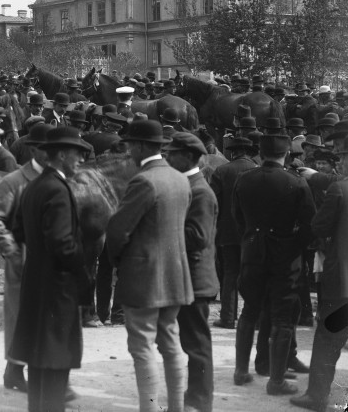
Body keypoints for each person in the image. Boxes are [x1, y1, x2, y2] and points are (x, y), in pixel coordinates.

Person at [107, 119, 194, 412]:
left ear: (143, 146)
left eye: (131, 143)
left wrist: (119, 261)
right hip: (175, 276)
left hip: (144, 278)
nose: (128, 149)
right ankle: (176, 408)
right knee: (170, 344)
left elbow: (118, 231)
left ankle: (150, 408)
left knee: (142, 347)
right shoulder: (181, 178)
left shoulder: (143, 181)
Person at [9, 126, 91, 411]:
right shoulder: (57, 189)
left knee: (39, 365)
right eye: (77, 153)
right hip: (59, 287)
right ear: (62, 155)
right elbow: (62, 243)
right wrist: (83, 270)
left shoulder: (34, 185)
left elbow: (18, 229)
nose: (81, 159)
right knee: (56, 366)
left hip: (36, 283)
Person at [231, 131, 315, 395]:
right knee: (281, 316)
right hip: (285, 256)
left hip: (252, 252)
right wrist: (294, 245)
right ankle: (276, 381)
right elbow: (309, 225)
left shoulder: (243, 180)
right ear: (287, 154)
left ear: (261, 152)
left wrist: (251, 238)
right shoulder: (296, 183)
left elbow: (237, 217)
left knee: (248, 312)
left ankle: (241, 371)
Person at [0, 122, 51, 394]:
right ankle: (14, 369)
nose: (49, 154)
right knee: (21, 314)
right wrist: (12, 250)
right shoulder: (13, 182)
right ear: (32, 149)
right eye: (43, 149)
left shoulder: (58, 180)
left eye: (53, 149)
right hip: (23, 260)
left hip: (53, 262)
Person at [162, 132, 219, 412]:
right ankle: (195, 394)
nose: (168, 158)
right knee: (190, 340)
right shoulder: (189, 185)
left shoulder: (200, 192)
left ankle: (200, 399)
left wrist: (162, 227)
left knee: (196, 342)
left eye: (172, 154)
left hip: (196, 279)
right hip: (187, 276)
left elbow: (198, 236)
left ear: (188, 157)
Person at [290, 145, 348, 410]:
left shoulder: (340, 189)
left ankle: (316, 396)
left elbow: (319, 226)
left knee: (327, 338)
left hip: (343, 281)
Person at [207, 135, 258, 329]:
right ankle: (254, 318)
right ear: (249, 153)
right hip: (253, 232)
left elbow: (213, 202)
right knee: (253, 274)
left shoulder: (222, 170)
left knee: (230, 273)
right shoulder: (257, 170)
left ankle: (228, 317)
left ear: (234, 152)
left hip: (227, 232)